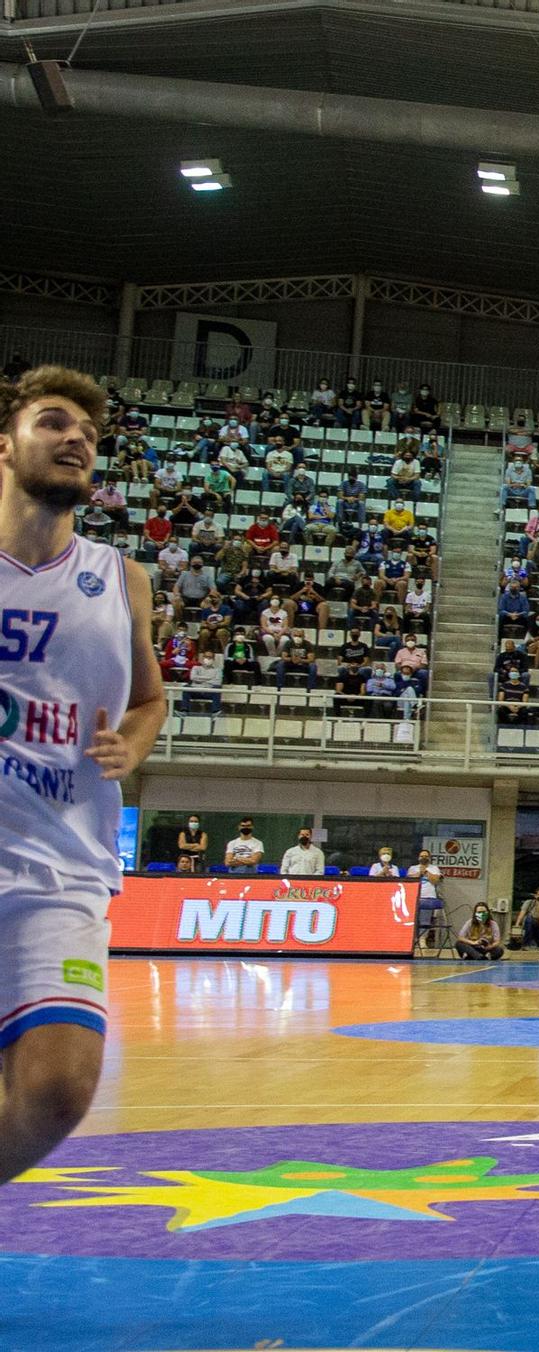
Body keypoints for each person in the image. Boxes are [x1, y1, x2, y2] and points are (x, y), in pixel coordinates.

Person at [0, 365, 166, 1187]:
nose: (76, 440)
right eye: (54, 423)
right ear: (7, 444)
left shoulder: (122, 577)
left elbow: (150, 699)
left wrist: (132, 746)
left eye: (90, 437)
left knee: (60, 1090)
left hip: (60, 866)